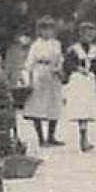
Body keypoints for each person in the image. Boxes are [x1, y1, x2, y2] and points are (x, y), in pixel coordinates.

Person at [62, 20, 96, 152]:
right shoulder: (74, 50)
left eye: (91, 34)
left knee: (87, 110)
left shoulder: (95, 50)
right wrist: (77, 68)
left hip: (89, 81)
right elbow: (66, 65)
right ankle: (82, 137)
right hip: (78, 80)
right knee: (80, 110)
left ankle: (84, 136)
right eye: (86, 34)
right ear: (80, 34)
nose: (89, 37)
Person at [22, 16, 66, 146]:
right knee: (38, 106)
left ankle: (51, 136)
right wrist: (29, 80)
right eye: (44, 29)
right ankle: (41, 138)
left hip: (53, 73)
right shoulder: (36, 45)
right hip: (39, 72)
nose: (47, 32)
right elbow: (29, 63)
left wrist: (59, 69)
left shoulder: (56, 43)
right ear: (39, 31)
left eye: (50, 29)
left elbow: (60, 58)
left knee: (54, 104)